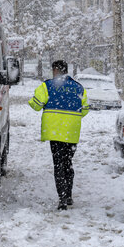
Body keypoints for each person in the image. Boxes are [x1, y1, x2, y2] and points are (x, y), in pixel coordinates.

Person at [29, 60, 89, 210]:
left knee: (58, 165)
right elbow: (85, 109)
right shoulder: (79, 87)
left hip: (55, 131)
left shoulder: (47, 86)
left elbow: (36, 105)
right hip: (72, 132)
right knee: (68, 163)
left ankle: (62, 199)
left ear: (55, 70)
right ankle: (68, 195)